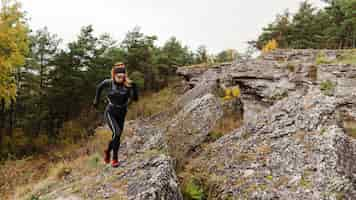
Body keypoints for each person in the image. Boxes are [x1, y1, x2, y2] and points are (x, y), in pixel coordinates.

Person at [93, 62, 138, 168]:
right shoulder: (108, 83)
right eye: (118, 77)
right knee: (117, 133)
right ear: (114, 75)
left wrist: (135, 89)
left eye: (122, 77)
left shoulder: (127, 85)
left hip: (122, 113)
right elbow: (99, 87)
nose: (120, 79)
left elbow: (135, 99)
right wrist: (96, 100)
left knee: (116, 136)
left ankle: (108, 151)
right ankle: (115, 159)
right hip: (110, 112)